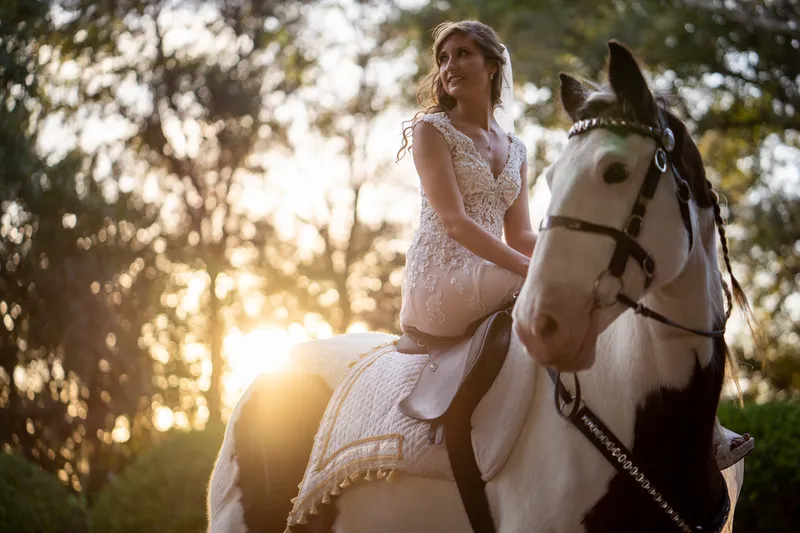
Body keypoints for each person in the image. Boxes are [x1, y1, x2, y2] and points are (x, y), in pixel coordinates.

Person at [396, 20, 751, 469]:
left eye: (463, 53)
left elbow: (522, 235)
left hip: (495, 271)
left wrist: (554, 254)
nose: (450, 66)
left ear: (491, 65)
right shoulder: (432, 130)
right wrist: (536, 270)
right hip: (441, 278)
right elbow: (455, 224)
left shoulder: (516, 148)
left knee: (607, 285)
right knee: (575, 289)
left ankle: (698, 426)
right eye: (443, 58)